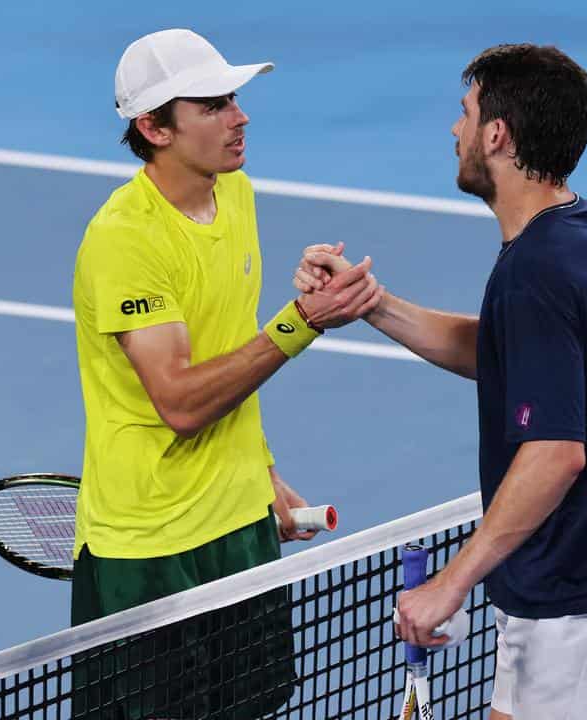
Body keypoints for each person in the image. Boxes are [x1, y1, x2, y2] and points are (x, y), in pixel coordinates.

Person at [296, 44, 587, 719]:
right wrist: (374, 304)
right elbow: (511, 353)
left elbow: (557, 453)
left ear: (497, 134)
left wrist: (451, 581)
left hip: (574, 605)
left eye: (465, 113)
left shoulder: (535, 270)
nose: (455, 130)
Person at [71, 28, 381, 719]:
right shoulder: (126, 240)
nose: (240, 117)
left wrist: (259, 473)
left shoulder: (234, 193)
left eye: (233, 98)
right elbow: (181, 401)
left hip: (238, 525)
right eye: (211, 106)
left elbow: (227, 352)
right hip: (151, 549)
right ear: (154, 127)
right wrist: (301, 321)